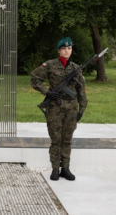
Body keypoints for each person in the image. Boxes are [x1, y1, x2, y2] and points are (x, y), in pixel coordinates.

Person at [30, 37, 87, 182]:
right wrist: (47, 92)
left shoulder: (76, 68)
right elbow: (34, 78)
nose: (67, 51)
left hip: (72, 108)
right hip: (55, 107)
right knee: (56, 139)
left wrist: (82, 109)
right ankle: (55, 169)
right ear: (59, 50)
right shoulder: (50, 65)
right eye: (64, 48)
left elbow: (81, 90)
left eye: (69, 48)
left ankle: (65, 169)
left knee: (67, 139)